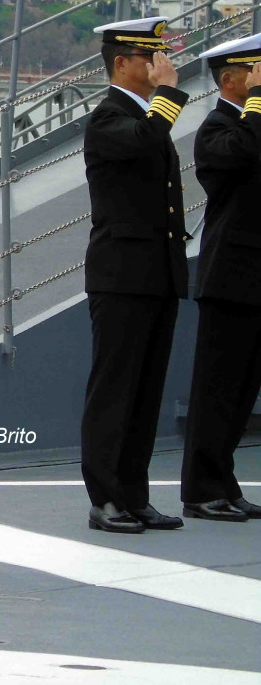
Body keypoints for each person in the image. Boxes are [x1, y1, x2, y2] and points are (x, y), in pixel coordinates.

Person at [82, 16, 189, 535]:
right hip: (121, 276)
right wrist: (169, 92)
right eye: (149, 57)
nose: (159, 64)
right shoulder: (107, 118)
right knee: (114, 390)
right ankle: (105, 499)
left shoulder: (144, 117)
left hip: (155, 274)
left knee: (146, 393)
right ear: (121, 63)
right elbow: (145, 140)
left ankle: (134, 495)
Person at [181, 34, 261, 522]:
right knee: (216, 391)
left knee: (242, 392)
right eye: (253, 73)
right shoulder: (218, 128)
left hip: (254, 279)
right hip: (230, 279)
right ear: (230, 79)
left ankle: (224, 483)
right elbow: (245, 155)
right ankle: (200, 489)